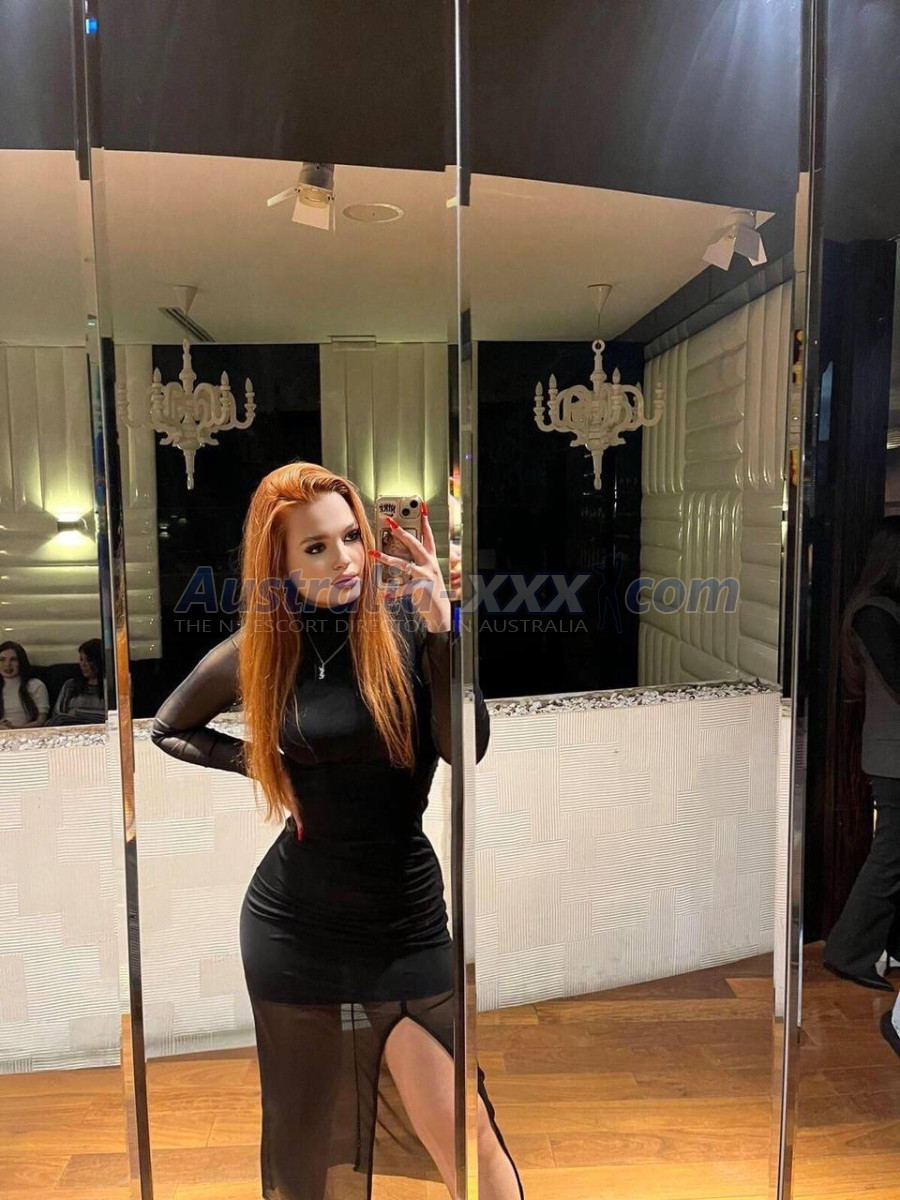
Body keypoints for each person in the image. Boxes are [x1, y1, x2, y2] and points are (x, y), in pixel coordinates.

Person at [151, 462, 524, 1200]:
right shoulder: (265, 647)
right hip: (293, 927)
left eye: (352, 536)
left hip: (405, 921)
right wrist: (265, 766)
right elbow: (169, 728)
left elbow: (466, 748)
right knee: (300, 1144)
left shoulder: (408, 629)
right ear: (280, 563)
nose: (344, 559)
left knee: (466, 1128)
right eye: (316, 547)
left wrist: (444, 630)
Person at [824, 517, 900, 992]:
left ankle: (882, 944)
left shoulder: (884, 609)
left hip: (891, 752)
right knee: (889, 857)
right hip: (893, 757)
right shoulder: (873, 613)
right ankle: (847, 952)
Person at [45, 638, 107, 726]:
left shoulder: (111, 687)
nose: (83, 664)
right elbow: (57, 715)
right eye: (81, 659)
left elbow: (110, 717)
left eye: (88, 660)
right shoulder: (70, 685)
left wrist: (77, 712)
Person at [0, 641, 50, 729]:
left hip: (27, 733)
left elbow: (41, 721)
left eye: (13, 659)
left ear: (21, 662)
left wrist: (13, 729)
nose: (7, 664)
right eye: (2, 660)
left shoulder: (36, 685)